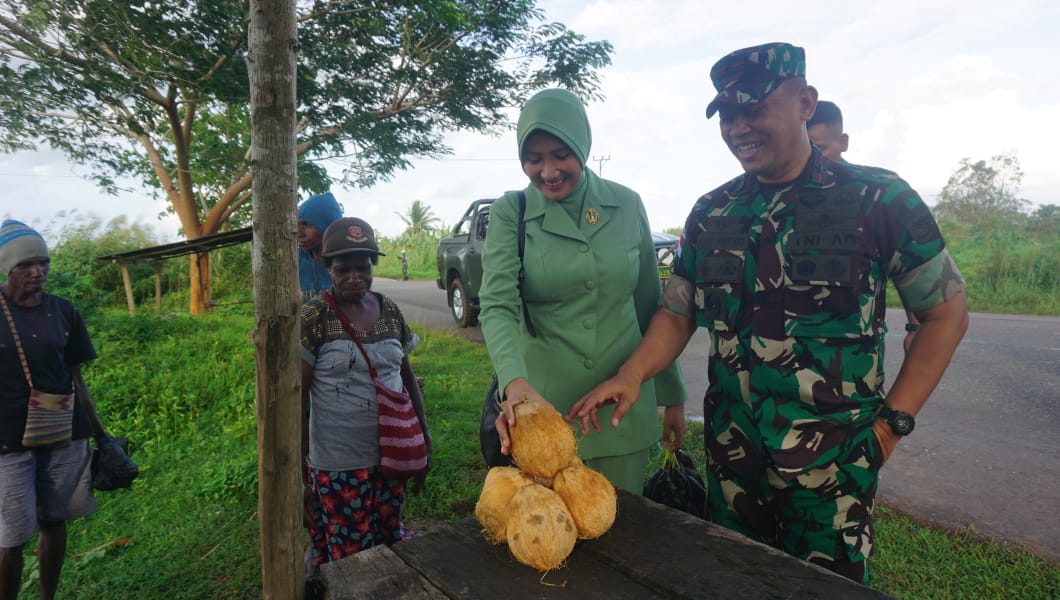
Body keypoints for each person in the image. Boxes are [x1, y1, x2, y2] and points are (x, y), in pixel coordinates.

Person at [569, 43, 969, 583]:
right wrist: (632, 373)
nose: (739, 127)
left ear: (806, 102)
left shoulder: (878, 200)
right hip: (734, 464)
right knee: (736, 584)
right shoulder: (713, 212)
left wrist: (891, 426)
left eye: (753, 108)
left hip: (834, 469)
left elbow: (946, 315)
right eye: (727, 115)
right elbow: (678, 312)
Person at [479, 88, 687, 493]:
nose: (548, 171)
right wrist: (514, 384)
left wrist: (673, 397)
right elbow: (497, 305)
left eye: (561, 154)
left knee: (622, 533)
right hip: (544, 413)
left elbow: (650, 306)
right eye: (534, 158)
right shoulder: (512, 212)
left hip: (621, 411)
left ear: (583, 146)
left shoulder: (626, 205)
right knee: (546, 539)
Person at [299, 217, 430, 569]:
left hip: (392, 455)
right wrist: (301, 477)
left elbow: (406, 376)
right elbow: (298, 402)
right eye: (343, 269)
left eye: (363, 267)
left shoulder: (388, 310)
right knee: (350, 556)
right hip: (339, 466)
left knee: (389, 539)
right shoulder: (314, 317)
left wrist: (424, 441)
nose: (355, 277)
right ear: (326, 267)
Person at [0, 220, 111, 600]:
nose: (37, 272)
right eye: (26, 264)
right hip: (7, 441)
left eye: (43, 262)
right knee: (11, 535)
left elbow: (77, 378)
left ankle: (48, 596)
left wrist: (100, 433)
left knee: (55, 519)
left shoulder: (63, 311)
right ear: (7, 267)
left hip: (64, 431)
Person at [807, 100, 920, 351]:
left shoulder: (873, 195)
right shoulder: (781, 194)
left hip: (848, 360)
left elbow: (911, 267)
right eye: (802, 149)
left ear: (843, 142)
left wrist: (915, 327)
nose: (810, 160)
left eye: (820, 149)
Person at [297, 192, 343, 300]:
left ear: (328, 226)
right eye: (298, 225)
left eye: (307, 224)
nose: (299, 233)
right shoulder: (295, 262)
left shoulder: (347, 261)